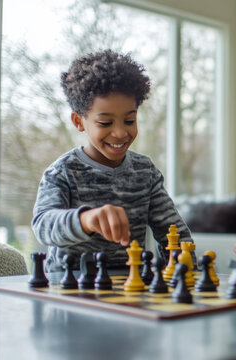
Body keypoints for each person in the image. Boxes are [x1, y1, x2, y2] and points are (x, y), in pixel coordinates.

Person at [32, 49, 193, 272]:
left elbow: (173, 232)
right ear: (79, 121)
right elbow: (43, 226)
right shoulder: (63, 172)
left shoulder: (145, 171)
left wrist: (187, 276)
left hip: (130, 288)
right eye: (105, 123)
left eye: (129, 120)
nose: (120, 133)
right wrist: (85, 220)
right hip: (71, 287)